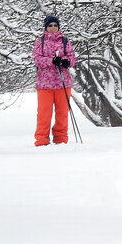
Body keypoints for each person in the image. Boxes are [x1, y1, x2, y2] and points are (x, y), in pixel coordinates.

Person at [33, 15, 78, 146]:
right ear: (46, 27)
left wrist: (65, 62)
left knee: (62, 113)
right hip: (44, 84)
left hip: (63, 83)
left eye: (55, 25)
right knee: (43, 113)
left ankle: (61, 138)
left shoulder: (65, 41)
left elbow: (72, 58)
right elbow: (37, 60)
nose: (53, 28)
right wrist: (52, 61)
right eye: (50, 25)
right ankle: (41, 139)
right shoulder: (40, 42)